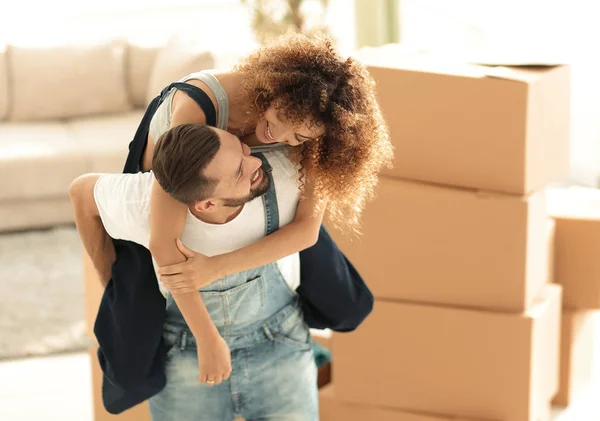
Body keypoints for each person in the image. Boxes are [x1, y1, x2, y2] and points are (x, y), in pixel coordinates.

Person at [79, 33, 390, 414]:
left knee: (345, 299)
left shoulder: (310, 132)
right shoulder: (199, 110)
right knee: (131, 327)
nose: (286, 139)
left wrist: (216, 268)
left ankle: (307, 342)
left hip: (273, 323)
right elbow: (164, 243)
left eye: (302, 136)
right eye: (285, 122)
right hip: (180, 198)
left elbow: (307, 230)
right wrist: (207, 339)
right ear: (277, 88)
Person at [70, 123, 319, 420]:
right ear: (206, 204)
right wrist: (112, 285)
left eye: (240, 149)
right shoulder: (141, 204)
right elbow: (80, 192)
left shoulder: (287, 175)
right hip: (185, 358)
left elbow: (309, 227)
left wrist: (215, 268)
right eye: (240, 171)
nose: (255, 162)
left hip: (281, 344)